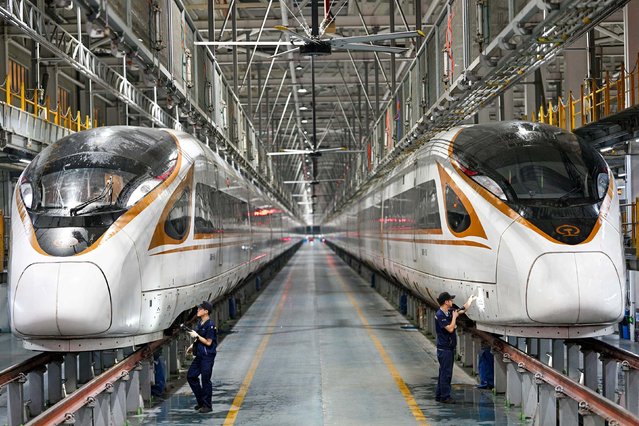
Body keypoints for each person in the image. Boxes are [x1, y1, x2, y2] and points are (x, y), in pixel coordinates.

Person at [435, 291, 476, 403]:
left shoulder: (449, 311)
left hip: (448, 348)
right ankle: (445, 397)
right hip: (444, 349)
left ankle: (439, 395)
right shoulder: (440, 315)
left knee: (443, 372)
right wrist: (454, 318)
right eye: (450, 300)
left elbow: (463, 309)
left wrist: (470, 301)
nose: (452, 302)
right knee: (446, 373)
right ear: (446, 302)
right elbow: (450, 329)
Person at [187, 301, 218, 414]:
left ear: (206, 311)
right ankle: (201, 401)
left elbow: (209, 342)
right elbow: (199, 338)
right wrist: (192, 345)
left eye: (200, 309)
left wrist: (197, 336)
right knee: (191, 376)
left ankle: (207, 405)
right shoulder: (200, 323)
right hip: (200, 355)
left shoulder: (210, 325)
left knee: (205, 380)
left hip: (207, 356)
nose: (198, 310)